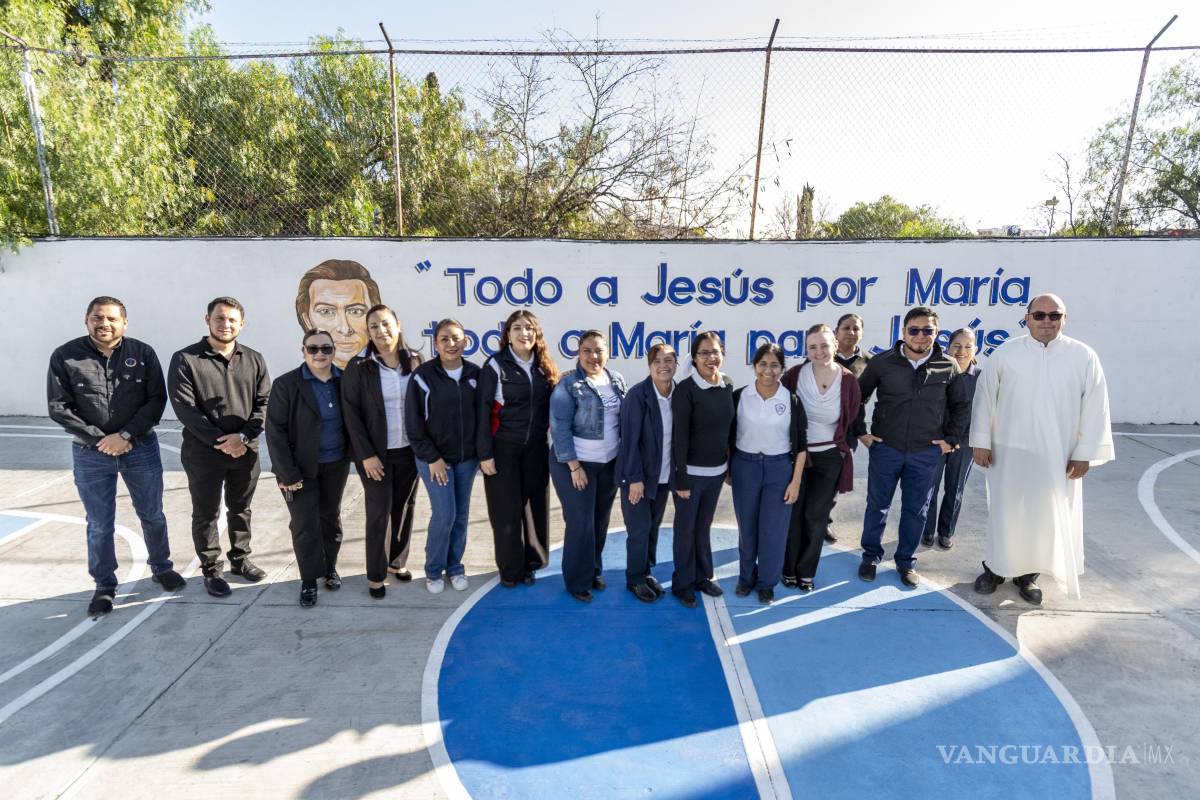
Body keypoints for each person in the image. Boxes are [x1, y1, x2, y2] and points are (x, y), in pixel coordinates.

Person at [970, 294, 1113, 604]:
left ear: (1065, 317)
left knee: (1043, 515)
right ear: (1027, 317)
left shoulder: (1083, 356)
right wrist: (980, 441)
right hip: (1008, 451)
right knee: (1005, 511)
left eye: (1054, 315)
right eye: (1040, 315)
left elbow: (1095, 407)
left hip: (1058, 455)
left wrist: (1084, 451)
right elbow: (985, 398)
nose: (1046, 320)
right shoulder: (1006, 353)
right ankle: (995, 569)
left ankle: (1028, 575)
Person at [47, 296, 184, 615]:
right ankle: (105, 585)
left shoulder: (143, 353)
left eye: (111, 318)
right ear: (86, 320)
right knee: (99, 523)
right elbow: (58, 407)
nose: (104, 324)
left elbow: (155, 400)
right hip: (90, 452)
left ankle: (162, 567)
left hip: (139, 447)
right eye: (97, 317)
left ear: (125, 322)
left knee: (152, 513)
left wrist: (124, 435)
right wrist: (100, 440)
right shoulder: (65, 356)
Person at [854, 306, 971, 588]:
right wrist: (861, 432)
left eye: (927, 330)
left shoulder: (948, 365)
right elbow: (857, 397)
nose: (921, 336)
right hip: (886, 449)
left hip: (924, 453)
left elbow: (960, 406)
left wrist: (951, 440)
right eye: (914, 330)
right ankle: (870, 557)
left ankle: (906, 562)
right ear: (903, 332)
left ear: (936, 333)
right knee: (877, 506)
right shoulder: (883, 363)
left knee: (916, 509)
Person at [168, 297, 271, 598]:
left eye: (231, 320)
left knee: (241, 508)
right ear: (207, 320)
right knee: (206, 512)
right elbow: (185, 408)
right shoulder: (186, 359)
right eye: (219, 318)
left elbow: (263, 403)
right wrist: (222, 442)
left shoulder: (254, 359)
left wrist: (244, 437)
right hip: (203, 453)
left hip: (246, 451)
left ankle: (240, 560)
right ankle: (212, 570)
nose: (225, 324)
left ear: (242, 323)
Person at [341, 304, 422, 599]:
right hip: (375, 454)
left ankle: (395, 563)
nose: (381, 330)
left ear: (398, 325)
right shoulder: (359, 366)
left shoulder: (414, 361)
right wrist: (366, 454)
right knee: (379, 512)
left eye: (385, 324)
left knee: (404, 507)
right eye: (374, 326)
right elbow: (351, 414)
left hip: (409, 450)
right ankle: (375, 575)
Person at [266, 330, 351, 607]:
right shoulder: (286, 384)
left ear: (334, 351)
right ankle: (309, 580)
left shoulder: (345, 381)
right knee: (304, 525)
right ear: (303, 351)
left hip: (336, 464)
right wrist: (286, 472)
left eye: (326, 348)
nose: (320, 354)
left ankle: (329, 568)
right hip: (299, 470)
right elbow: (275, 431)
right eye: (313, 349)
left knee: (330, 520)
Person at [477, 310, 556, 589]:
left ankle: (532, 563)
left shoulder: (544, 366)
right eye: (518, 328)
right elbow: (483, 411)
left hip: (536, 448)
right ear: (507, 334)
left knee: (535, 507)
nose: (524, 333)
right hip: (503, 448)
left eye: (529, 328)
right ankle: (510, 570)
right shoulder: (495, 366)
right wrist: (485, 454)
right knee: (506, 511)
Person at [549, 329, 627, 603]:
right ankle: (576, 581)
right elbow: (559, 429)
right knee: (580, 523)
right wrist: (574, 466)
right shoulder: (568, 386)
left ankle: (594, 570)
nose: (594, 356)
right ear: (578, 354)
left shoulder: (616, 380)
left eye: (599, 350)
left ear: (607, 352)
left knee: (600, 520)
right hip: (575, 464)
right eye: (587, 351)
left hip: (608, 464)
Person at [782, 325, 862, 592]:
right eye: (812, 347)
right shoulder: (794, 376)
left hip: (829, 457)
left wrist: (843, 448)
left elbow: (852, 416)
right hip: (797, 458)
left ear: (835, 346)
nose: (819, 351)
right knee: (793, 515)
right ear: (806, 349)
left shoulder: (848, 379)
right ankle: (788, 569)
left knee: (816, 517)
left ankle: (806, 572)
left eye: (824, 345)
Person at [406, 319, 481, 594]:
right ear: (435, 344)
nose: (451, 344)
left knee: (460, 515)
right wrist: (432, 458)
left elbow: (484, 417)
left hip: (467, 460)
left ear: (465, 341)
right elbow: (413, 425)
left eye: (456, 338)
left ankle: (455, 567)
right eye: (445, 339)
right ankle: (434, 570)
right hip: (434, 459)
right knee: (444, 514)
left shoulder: (475, 373)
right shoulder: (423, 376)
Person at [730, 344, 807, 604]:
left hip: (779, 469)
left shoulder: (791, 400)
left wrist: (795, 482)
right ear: (754, 366)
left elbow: (801, 447)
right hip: (745, 467)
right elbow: (728, 436)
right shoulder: (740, 396)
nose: (768, 370)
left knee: (773, 531)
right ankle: (745, 578)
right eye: (763, 364)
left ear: (782, 369)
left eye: (774, 365)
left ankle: (766, 583)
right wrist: (730, 469)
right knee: (747, 527)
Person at [670, 331, 735, 609]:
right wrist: (681, 477)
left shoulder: (728, 384)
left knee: (702, 527)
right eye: (704, 353)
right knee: (685, 529)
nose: (711, 358)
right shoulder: (686, 389)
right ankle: (682, 583)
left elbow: (730, 431)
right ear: (694, 359)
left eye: (715, 351)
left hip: (716, 473)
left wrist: (729, 468)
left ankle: (702, 576)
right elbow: (679, 437)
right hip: (691, 476)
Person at [616, 343, 677, 603]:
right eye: (657, 361)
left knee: (652, 527)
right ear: (650, 365)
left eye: (669, 360)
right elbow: (629, 441)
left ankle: (646, 571)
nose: (664, 365)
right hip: (638, 478)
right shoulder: (638, 395)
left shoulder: (678, 393)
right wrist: (635, 479)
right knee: (639, 529)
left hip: (663, 478)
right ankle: (635, 579)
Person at [921, 328, 981, 550]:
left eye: (967, 346)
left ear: (975, 349)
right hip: (936, 443)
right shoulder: (937, 373)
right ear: (948, 347)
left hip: (964, 444)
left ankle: (946, 532)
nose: (961, 351)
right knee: (930, 488)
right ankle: (926, 531)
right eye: (956, 345)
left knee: (955, 488)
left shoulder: (982, 378)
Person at [294, 259, 383, 368]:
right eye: (326, 312)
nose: (345, 329)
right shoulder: (287, 384)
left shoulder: (392, 377)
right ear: (307, 320)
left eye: (355, 311)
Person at [834, 313, 872, 378]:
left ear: (862, 333)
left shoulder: (870, 361)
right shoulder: (822, 357)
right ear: (836, 332)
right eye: (846, 328)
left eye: (856, 329)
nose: (851, 332)